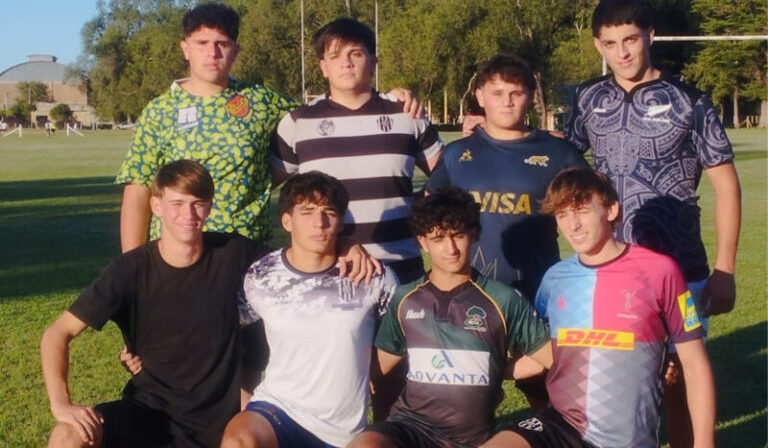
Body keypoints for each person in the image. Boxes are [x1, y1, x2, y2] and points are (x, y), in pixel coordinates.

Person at [565, 0, 740, 446]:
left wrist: (725, 270)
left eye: (630, 40)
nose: (621, 53)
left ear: (650, 36)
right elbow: (559, 160)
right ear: (597, 45)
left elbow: (726, 186)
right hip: (609, 268)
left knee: (679, 379)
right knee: (620, 382)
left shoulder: (690, 100)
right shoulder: (587, 98)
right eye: (609, 43)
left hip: (680, 268)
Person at [116, 5, 421, 254]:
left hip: (247, 250)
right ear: (185, 48)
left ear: (235, 50)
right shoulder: (159, 111)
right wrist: (132, 268)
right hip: (178, 250)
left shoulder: (261, 101)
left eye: (222, 44)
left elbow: (330, 107)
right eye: (201, 43)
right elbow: (138, 191)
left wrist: (392, 97)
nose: (212, 53)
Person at [41, 160, 270, 448]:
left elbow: (299, 260)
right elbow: (56, 334)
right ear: (156, 206)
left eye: (197, 203)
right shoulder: (130, 270)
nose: (188, 214)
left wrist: (345, 249)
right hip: (146, 414)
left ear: (209, 206)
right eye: (177, 203)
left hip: (217, 424)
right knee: (66, 436)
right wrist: (61, 404)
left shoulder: (235, 253)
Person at [483, 167, 715, 448]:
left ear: (611, 209)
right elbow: (546, 354)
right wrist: (482, 366)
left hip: (624, 440)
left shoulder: (660, 272)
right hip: (561, 425)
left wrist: (703, 443)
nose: (573, 225)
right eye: (562, 215)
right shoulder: (555, 279)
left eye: (581, 210)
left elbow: (695, 365)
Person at [347, 187, 552, 448]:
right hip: (408, 428)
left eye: (458, 235)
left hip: (471, 440)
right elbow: (377, 367)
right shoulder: (405, 298)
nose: (451, 248)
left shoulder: (502, 299)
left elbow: (546, 358)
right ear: (422, 242)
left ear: (474, 233)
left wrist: (495, 369)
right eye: (439, 238)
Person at [219, 171, 398, 448]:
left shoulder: (372, 277)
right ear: (287, 221)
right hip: (278, 410)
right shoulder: (260, 275)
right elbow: (218, 333)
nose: (320, 222)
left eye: (329, 212)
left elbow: (403, 341)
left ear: (341, 223)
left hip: (344, 430)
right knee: (238, 443)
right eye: (307, 212)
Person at [270, 17, 443, 286]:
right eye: (335, 55)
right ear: (323, 67)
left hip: (401, 267)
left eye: (356, 54)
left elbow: (449, 176)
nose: (346, 63)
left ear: (373, 62)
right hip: (330, 268)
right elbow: (260, 186)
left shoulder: (407, 115)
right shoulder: (298, 123)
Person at [426, 53, 587, 301]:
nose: (507, 102)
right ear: (480, 96)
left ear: (531, 96)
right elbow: (428, 217)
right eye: (497, 93)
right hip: (468, 293)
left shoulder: (558, 152)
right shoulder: (456, 154)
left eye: (516, 93)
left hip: (538, 292)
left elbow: (589, 215)